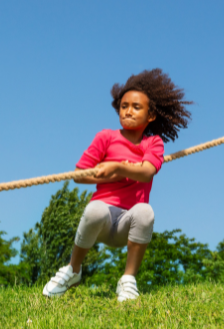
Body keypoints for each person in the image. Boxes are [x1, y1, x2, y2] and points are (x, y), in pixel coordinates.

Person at [42, 69, 191, 301]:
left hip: (127, 224)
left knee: (145, 211)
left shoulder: (153, 143)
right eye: (123, 106)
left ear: (151, 115)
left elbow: (147, 172)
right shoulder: (106, 137)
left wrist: (118, 167)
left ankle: (128, 279)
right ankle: (73, 270)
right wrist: (109, 175)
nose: (128, 111)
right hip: (101, 220)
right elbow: (79, 175)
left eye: (136, 107)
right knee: (95, 208)